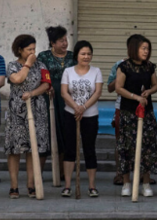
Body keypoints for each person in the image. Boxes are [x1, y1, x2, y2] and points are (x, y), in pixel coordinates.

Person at [114, 34, 157, 198]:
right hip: (128, 113)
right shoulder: (124, 67)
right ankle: (126, 183)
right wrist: (136, 97)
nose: (146, 51)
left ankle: (146, 183)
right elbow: (118, 88)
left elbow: (156, 85)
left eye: (148, 48)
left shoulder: (149, 67)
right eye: (143, 48)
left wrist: (149, 91)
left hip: (146, 113)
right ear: (134, 49)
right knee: (127, 148)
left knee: (147, 148)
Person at [6, 34, 51, 199]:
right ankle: (14, 186)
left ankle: (32, 185)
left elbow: (46, 84)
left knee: (34, 148)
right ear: (20, 50)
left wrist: (32, 93)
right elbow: (18, 79)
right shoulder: (12, 66)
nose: (33, 52)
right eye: (28, 49)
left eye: (34, 49)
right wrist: (27, 65)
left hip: (37, 110)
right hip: (17, 112)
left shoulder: (41, 65)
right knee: (15, 149)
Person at [60, 40, 103, 198]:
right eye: (83, 54)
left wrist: (83, 108)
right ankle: (67, 186)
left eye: (89, 54)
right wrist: (75, 108)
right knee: (70, 149)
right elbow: (64, 92)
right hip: (70, 114)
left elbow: (97, 92)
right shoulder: (68, 71)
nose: (86, 57)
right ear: (77, 55)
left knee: (89, 148)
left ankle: (92, 186)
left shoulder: (96, 71)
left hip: (90, 115)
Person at [37, 25, 72, 182]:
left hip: (67, 99)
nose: (65, 43)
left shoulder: (73, 57)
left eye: (66, 40)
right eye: (60, 40)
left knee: (65, 132)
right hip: (48, 98)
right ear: (52, 43)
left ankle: (63, 172)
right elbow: (41, 75)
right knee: (47, 133)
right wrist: (48, 86)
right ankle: (38, 172)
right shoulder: (43, 57)